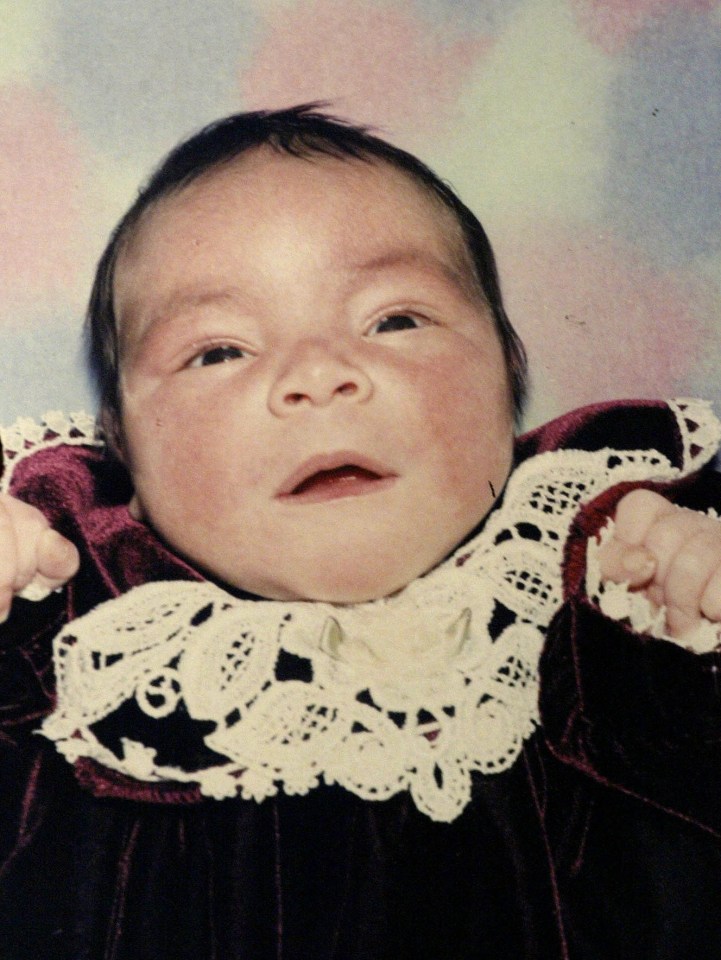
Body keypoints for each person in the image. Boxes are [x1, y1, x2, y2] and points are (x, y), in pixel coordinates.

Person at [0, 105, 719, 959]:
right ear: (120, 443)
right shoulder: (79, 657)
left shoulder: (614, 589)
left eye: (394, 320)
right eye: (218, 351)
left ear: (510, 370)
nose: (318, 376)